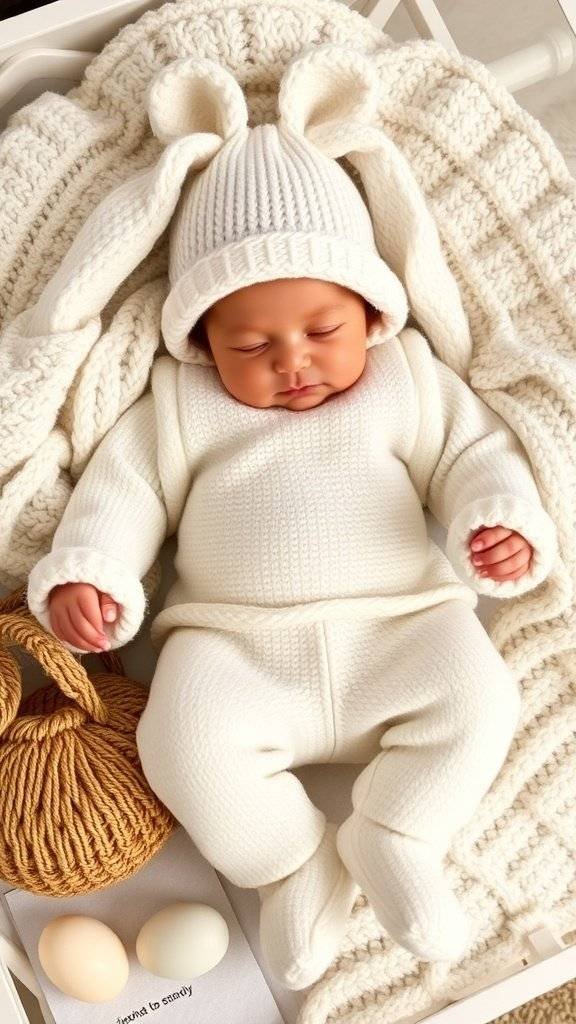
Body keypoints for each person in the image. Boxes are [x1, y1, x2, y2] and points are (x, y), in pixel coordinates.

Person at [26, 54, 557, 991]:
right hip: (236, 652)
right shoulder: (180, 405)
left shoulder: (407, 381)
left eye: (322, 330)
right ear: (200, 342)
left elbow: (476, 454)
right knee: (178, 746)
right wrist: (90, 574)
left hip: (403, 628)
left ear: (374, 310)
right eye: (251, 344)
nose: (293, 362)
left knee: (483, 703)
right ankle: (290, 862)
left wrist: (496, 517)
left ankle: (397, 829)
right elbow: (122, 494)